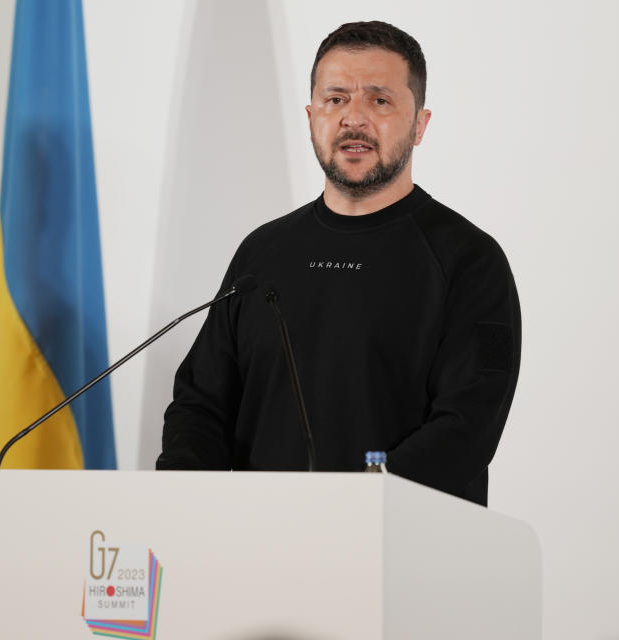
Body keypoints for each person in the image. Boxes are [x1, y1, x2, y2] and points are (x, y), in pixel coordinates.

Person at [156, 20, 520, 507]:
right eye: (336, 99)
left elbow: (467, 427)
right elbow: (200, 405)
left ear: (420, 124)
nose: (354, 118)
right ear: (311, 117)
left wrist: (354, 507)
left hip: (402, 554)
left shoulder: (470, 261)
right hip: (253, 551)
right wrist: (181, 502)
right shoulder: (261, 254)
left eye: (379, 100)